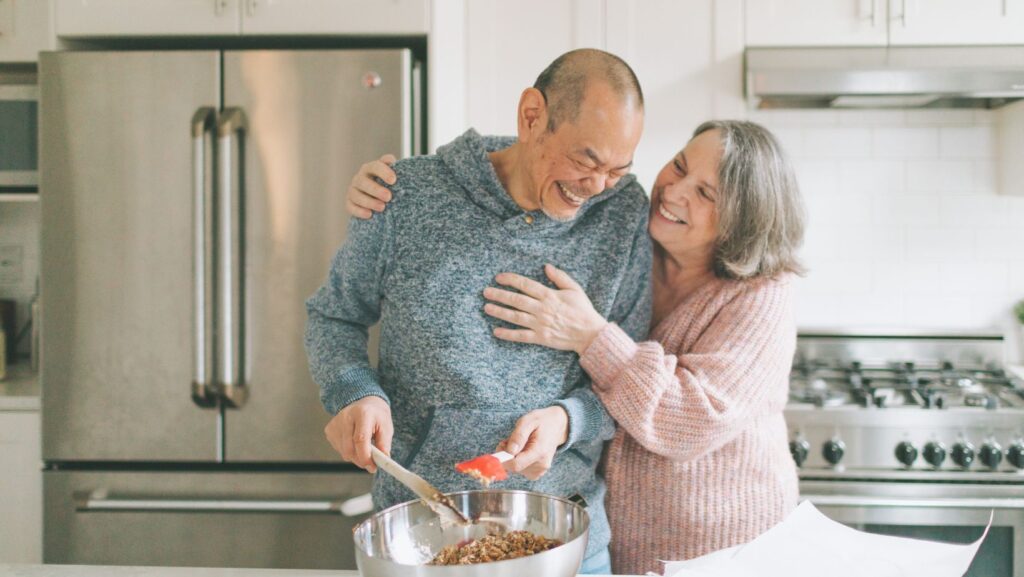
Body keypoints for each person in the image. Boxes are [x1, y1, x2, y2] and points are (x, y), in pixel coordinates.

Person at [346, 119, 807, 575]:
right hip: (619, 541)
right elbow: (543, 161)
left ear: (743, 222)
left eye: (705, 193)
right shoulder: (636, 240)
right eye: (680, 165)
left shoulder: (762, 295)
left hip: (725, 552)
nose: (674, 191)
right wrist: (406, 181)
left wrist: (590, 336)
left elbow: (690, 420)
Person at [305, 48, 652, 575]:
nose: (597, 187)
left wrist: (567, 420)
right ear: (532, 115)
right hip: (421, 536)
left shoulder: (622, 213)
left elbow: (629, 374)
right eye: (586, 161)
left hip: (566, 543)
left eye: (617, 169)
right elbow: (334, 317)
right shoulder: (408, 196)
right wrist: (356, 392)